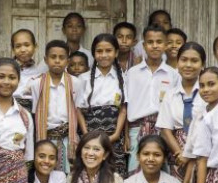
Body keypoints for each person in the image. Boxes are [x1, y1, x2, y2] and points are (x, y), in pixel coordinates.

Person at [126, 25, 179, 174]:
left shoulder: (173, 75)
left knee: (164, 172)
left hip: (163, 129)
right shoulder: (133, 73)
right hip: (136, 129)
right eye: (150, 42)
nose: (155, 46)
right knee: (135, 172)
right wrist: (126, 135)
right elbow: (126, 104)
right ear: (144, 45)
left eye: (159, 42)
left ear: (166, 45)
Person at [76, 34, 127, 174]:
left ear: (116, 52)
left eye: (108, 51)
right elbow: (78, 109)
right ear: (93, 53)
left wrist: (116, 134)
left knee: (114, 173)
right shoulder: (83, 79)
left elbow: (123, 108)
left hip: (114, 134)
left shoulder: (123, 78)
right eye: (99, 51)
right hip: (90, 133)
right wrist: (86, 135)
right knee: (90, 172)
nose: (104, 55)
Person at [156, 42, 207, 180]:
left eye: (194, 61)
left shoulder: (208, 93)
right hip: (178, 153)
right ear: (177, 63)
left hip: (204, 150)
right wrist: (180, 153)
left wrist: (190, 153)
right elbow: (165, 129)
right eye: (184, 60)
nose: (188, 65)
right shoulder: (170, 94)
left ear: (202, 65)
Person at [29, 40, 81, 173]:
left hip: (68, 139)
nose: (57, 61)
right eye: (53, 57)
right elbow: (35, 111)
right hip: (46, 137)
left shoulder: (76, 83)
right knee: (46, 174)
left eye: (62, 57)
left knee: (69, 176)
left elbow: (78, 110)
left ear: (68, 61)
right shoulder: (36, 84)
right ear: (46, 60)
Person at [12, 29, 47, 111]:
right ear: (13, 49)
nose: (23, 50)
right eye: (18, 46)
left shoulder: (40, 73)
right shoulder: (7, 70)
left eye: (27, 45)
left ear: (35, 47)